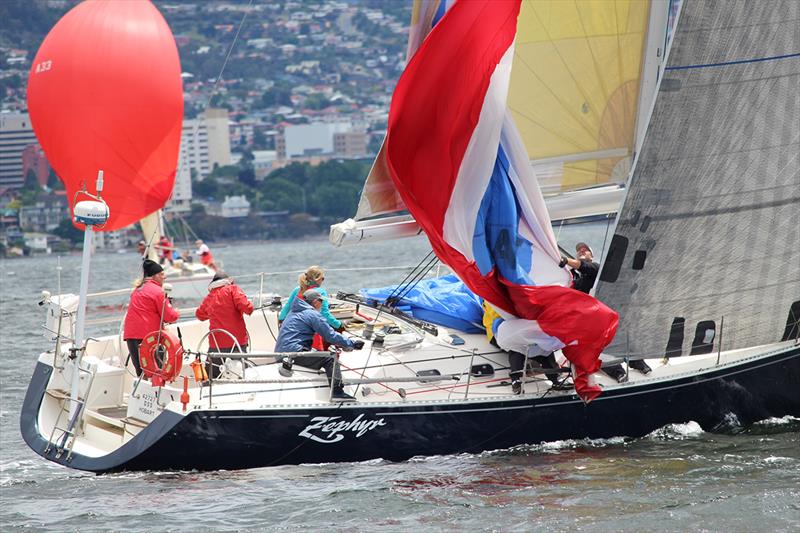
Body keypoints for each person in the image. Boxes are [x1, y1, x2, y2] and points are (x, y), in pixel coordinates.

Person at [560, 242, 651, 380]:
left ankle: (638, 363)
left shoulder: (596, 268)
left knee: (618, 339)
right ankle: (618, 372)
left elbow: (585, 267)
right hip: (586, 321)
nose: (581, 251)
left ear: (592, 255)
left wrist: (566, 260)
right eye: (579, 250)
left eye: (585, 250)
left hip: (603, 315)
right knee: (598, 348)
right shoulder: (572, 277)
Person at [275, 289, 364, 401]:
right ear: (316, 302)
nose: (322, 304)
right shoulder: (312, 314)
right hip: (293, 354)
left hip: (281, 353)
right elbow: (330, 335)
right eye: (321, 301)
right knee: (330, 357)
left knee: (317, 351)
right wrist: (352, 343)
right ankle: (337, 392)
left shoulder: (293, 312)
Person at [482, 301, 562, 394]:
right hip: (499, 330)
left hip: (520, 326)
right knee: (516, 346)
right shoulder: (493, 299)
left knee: (543, 345)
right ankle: (516, 380)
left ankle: (554, 377)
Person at [123, 259, 180, 376]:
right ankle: (155, 392)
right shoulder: (158, 292)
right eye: (162, 274)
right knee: (156, 372)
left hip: (131, 336)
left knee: (141, 372)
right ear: (155, 276)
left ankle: (140, 393)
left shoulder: (137, 290)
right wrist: (177, 312)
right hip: (148, 337)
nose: (165, 277)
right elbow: (170, 317)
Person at [195, 271, 254, 379]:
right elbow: (247, 308)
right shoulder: (233, 289)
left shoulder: (209, 297)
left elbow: (200, 315)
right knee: (241, 375)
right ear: (228, 281)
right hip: (237, 343)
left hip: (216, 345)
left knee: (211, 377)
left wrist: (214, 312)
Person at [278, 266, 342, 330]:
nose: (322, 281)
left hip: (294, 325)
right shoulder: (321, 292)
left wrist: (281, 320)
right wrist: (339, 325)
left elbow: (287, 307)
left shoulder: (297, 290)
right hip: (310, 328)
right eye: (322, 279)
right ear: (317, 279)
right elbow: (324, 314)